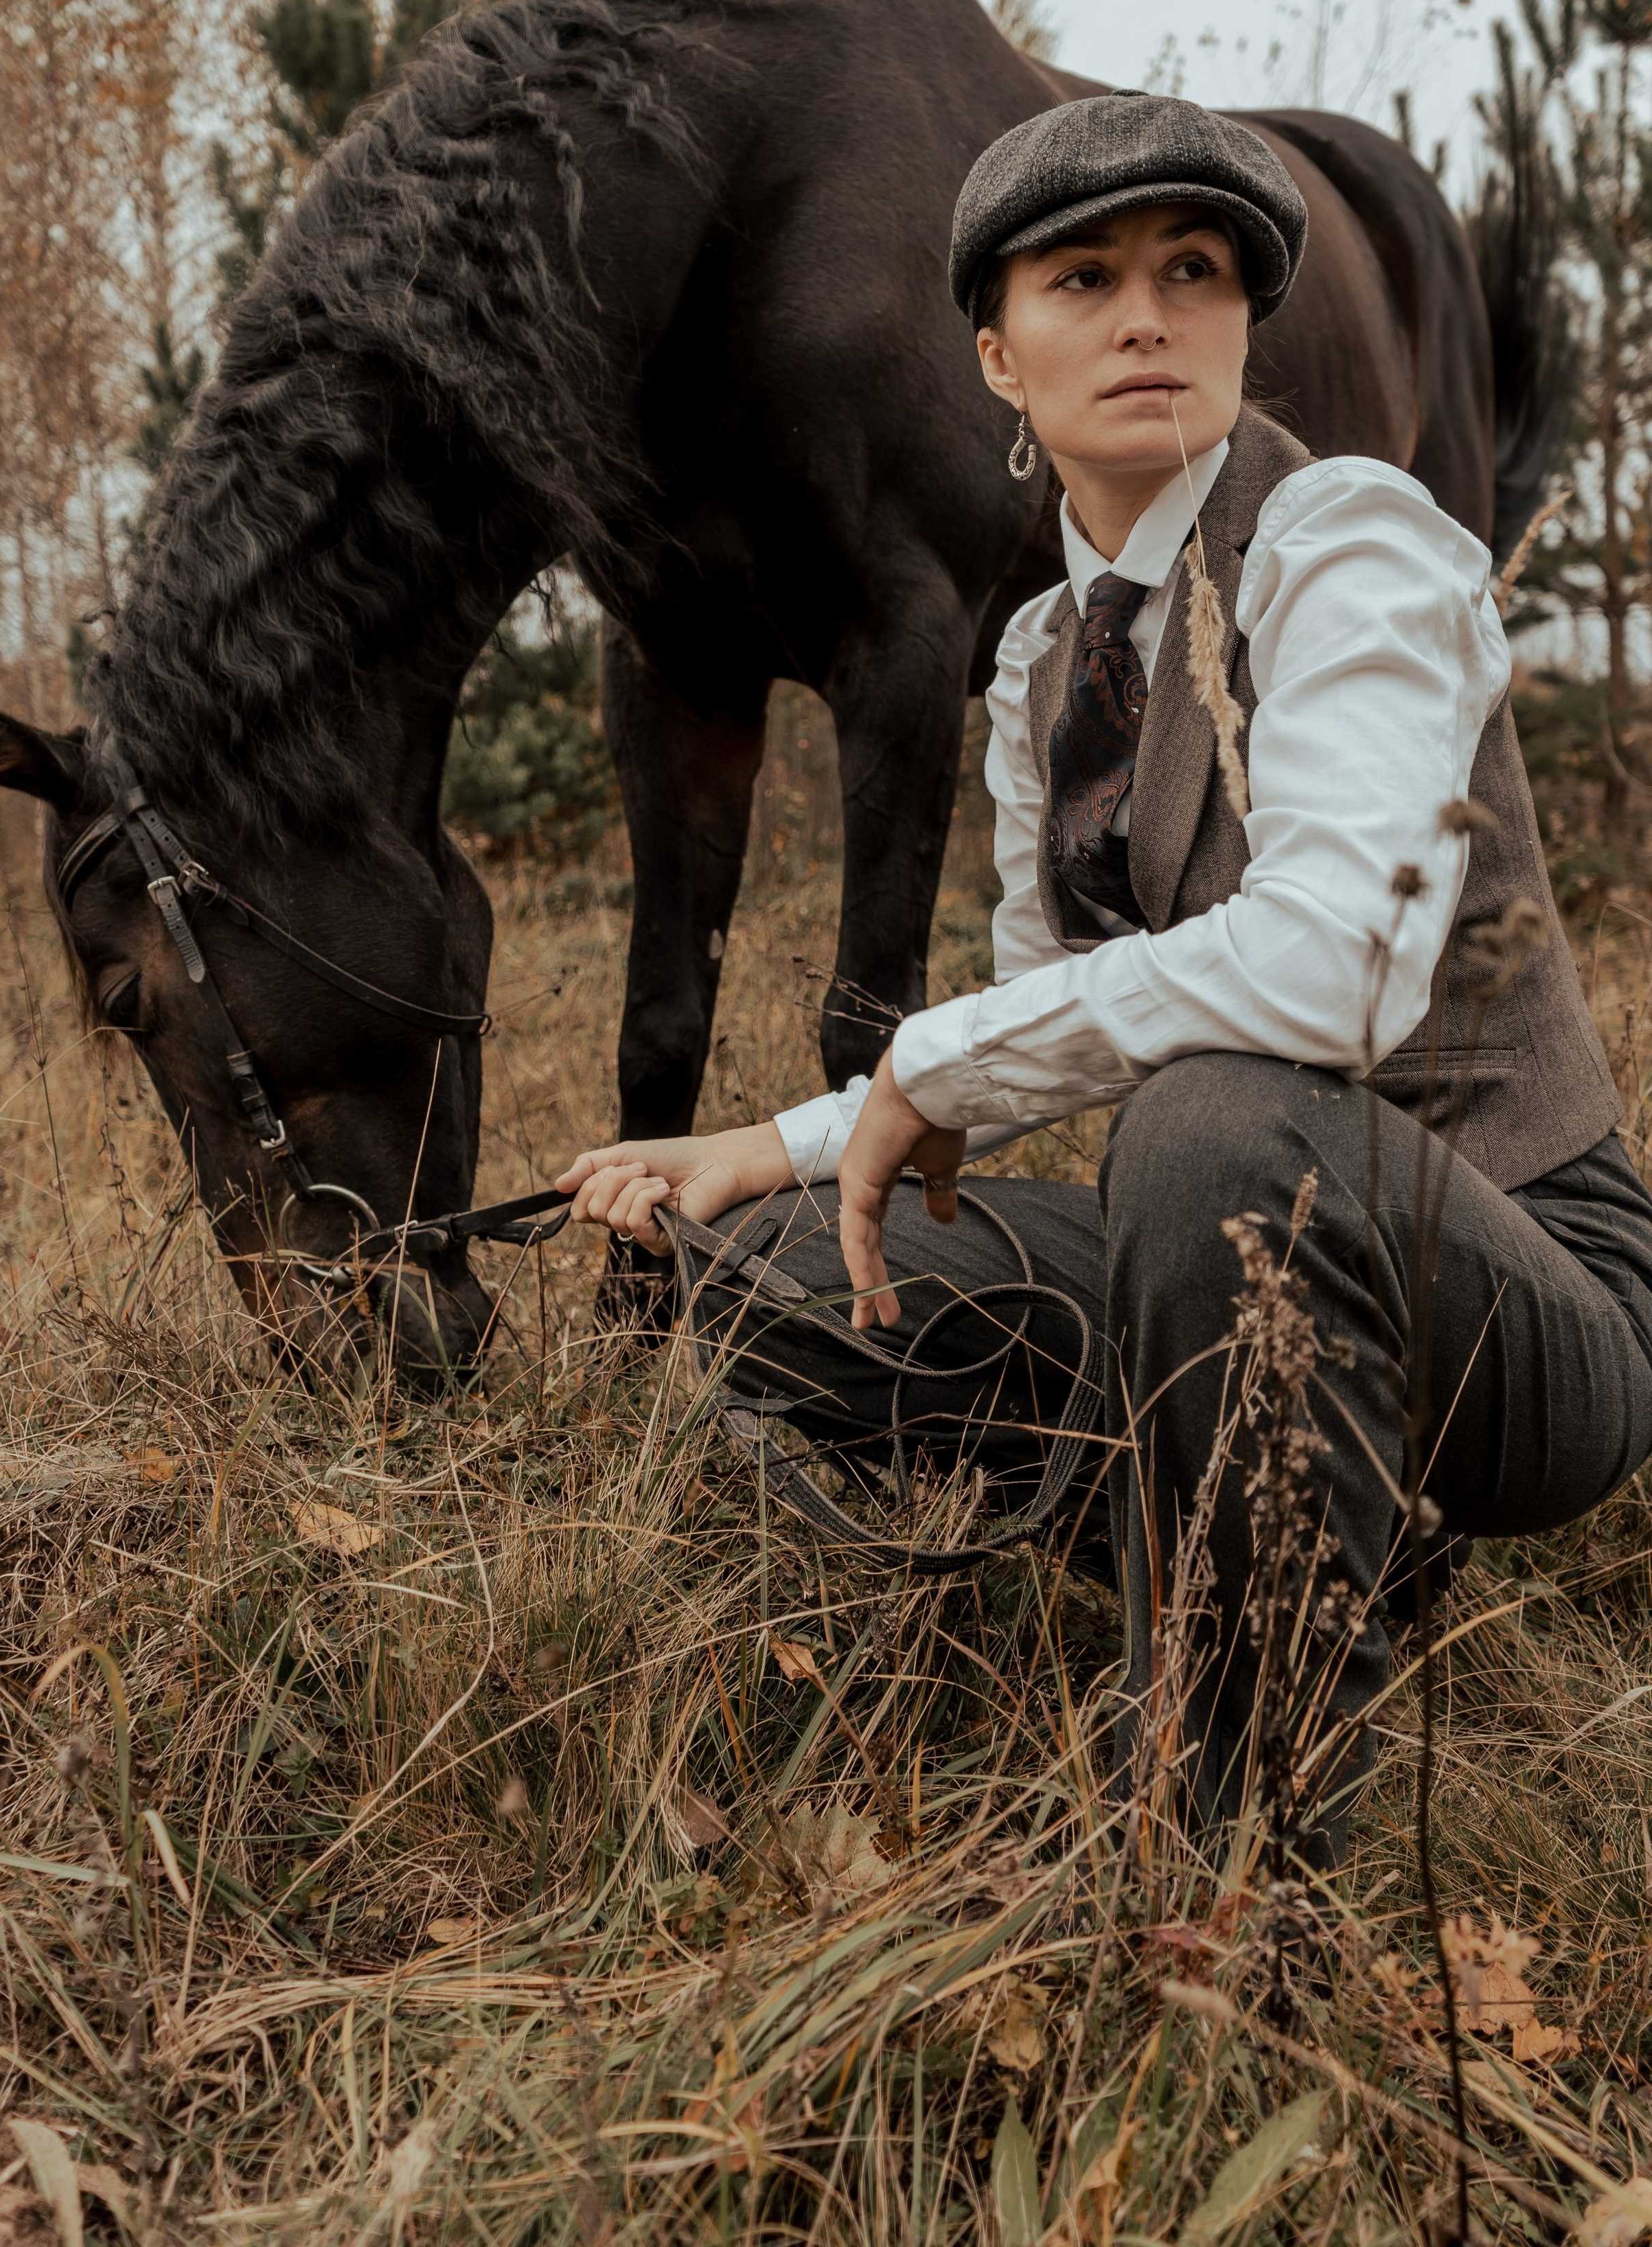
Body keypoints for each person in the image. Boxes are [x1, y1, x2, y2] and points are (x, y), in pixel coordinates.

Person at [555, 92, 1652, 1858]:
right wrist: (773, 1141)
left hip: (1533, 1305)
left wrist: (932, 1057)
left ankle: (1224, 1856)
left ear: (1237, 320)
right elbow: (1044, 1038)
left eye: (1193, 270)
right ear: (996, 356)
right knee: (770, 1270)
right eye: (1082, 278)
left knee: (1212, 1128)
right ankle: (1292, 1522)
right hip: (1238, 1245)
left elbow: (1338, 963)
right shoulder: (1043, 664)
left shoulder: (1344, 540)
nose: (1146, 314)